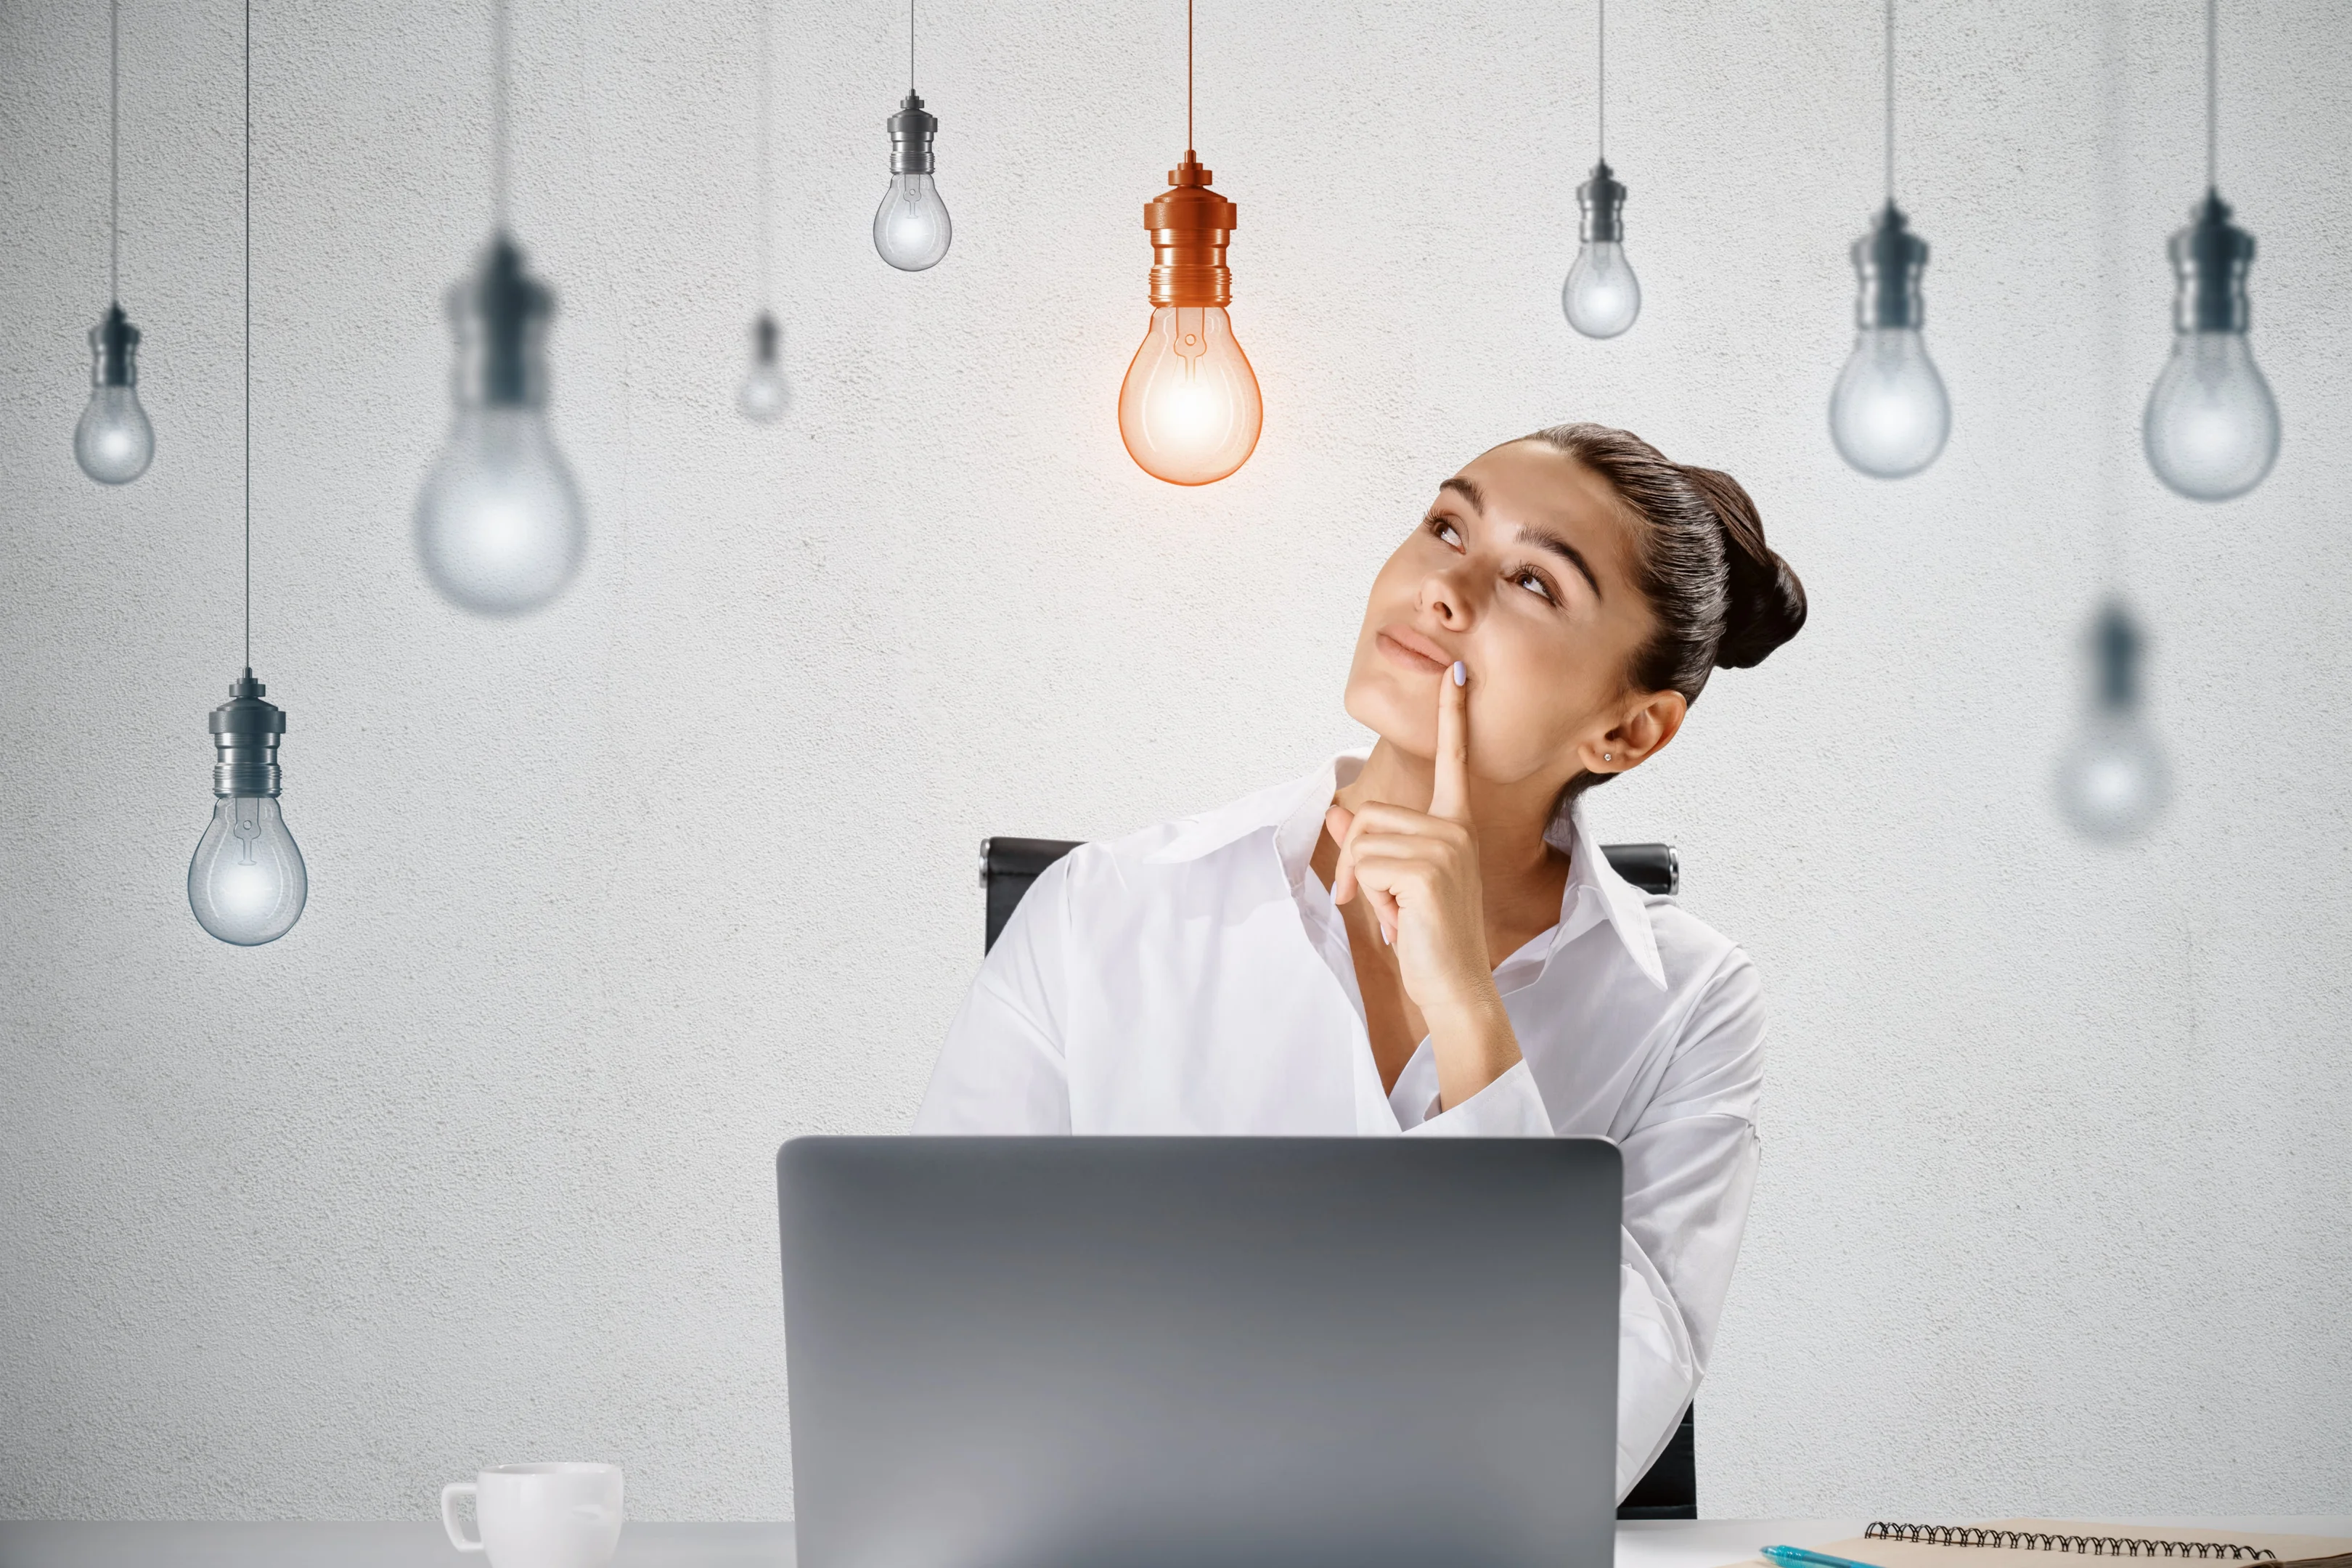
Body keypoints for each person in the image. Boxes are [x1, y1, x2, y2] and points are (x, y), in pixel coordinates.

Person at [915, 422, 1808, 1500]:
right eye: (1446, 527)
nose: (1445, 587)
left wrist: (1469, 1018)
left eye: (1532, 581)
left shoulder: (1691, 1003)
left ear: (1627, 731)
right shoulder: (1102, 913)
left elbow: (1591, 1440)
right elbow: (942, 1354)